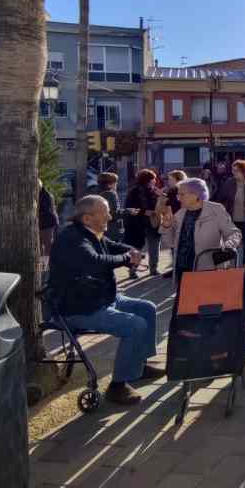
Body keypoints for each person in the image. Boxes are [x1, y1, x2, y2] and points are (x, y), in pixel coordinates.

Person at [49, 195, 162, 405]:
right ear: (87, 218)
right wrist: (127, 259)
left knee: (147, 308)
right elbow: (94, 261)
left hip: (100, 299)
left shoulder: (91, 232)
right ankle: (117, 386)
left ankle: (138, 365)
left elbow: (110, 245)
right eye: (105, 212)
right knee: (135, 325)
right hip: (79, 309)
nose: (110, 216)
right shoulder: (72, 238)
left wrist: (131, 251)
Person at [161, 177, 242, 284]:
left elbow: (234, 233)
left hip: (208, 270)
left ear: (196, 195)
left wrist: (229, 245)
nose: (178, 198)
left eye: (182, 194)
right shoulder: (179, 214)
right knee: (183, 301)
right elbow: (170, 243)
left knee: (207, 300)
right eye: (178, 195)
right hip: (182, 271)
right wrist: (166, 227)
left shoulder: (216, 210)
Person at [213, 159, 245, 271]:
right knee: (230, 242)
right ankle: (227, 265)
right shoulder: (229, 183)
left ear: (244, 171)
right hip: (231, 219)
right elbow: (220, 198)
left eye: (236, 170)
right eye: (233, 170)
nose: (234, 172)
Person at [124, 169, 161, 278]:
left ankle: (152, 269)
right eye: (153, 179)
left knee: (153, 248)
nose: (155, 181)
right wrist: (144, 212)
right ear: (148, 180)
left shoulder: (155, 191)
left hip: (152, 223)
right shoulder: (134, 192)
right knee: (138, 249)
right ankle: (133, 270)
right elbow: (128, 208)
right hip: (138, 225)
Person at [97, 172, 138, 242]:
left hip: (101, 229)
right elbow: (114, 214)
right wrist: (129, 211)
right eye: (115, 182)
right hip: (112, 231)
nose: (116, 184)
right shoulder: (111, 194)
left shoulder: (96, 192)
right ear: (110, 184)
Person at [38, 179, 59, 257]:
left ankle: (50, 264)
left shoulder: (46, 195)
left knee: (48, 246)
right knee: (41, 246)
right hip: (42, 223)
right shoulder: (41, 194)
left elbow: (46, 210)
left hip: (47, 224)